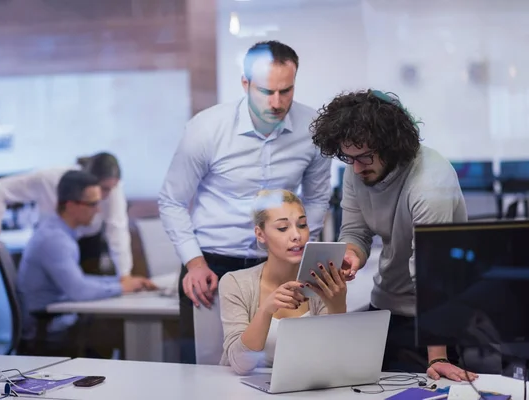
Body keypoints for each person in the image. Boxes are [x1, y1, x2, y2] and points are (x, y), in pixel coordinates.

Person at [159, 40, 332, 363]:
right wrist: (194, 263)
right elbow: (172, 200)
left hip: (278, 266)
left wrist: (307, 252)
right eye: (267, 92)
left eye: (286, 90)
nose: (277, 102)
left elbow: (318, 196)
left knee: (276, 363)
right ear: (245, 84)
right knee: (204, 366)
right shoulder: (207, 128)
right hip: (211, 264)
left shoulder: (313, 131)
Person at [310, 89, 478, 382]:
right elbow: (355, 230)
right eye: (348, 158)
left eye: (363, 157)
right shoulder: (357, 167)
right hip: (388, 306)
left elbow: (432, 276)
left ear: (391, 145)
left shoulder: (430, 184)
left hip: (438, 316)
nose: (356, 167)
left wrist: (438, 357)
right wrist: (352, 254)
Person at [16, 170, 156, 356]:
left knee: (116, 329)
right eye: (92, 204)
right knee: (118, 331)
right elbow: (79, 290)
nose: (98, 210)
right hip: (49, 329)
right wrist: (121, 288)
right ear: (71, 205)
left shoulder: (59, 233)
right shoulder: (55, 240)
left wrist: (121, 284)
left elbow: (79, 281)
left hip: (54, 320)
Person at [219, 190, 347, 375]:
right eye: (282, 228)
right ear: (260, 234)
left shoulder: (321, 281)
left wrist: (337, 306)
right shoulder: (235, 283)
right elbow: (241, 364)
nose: (297, 235)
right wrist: (265, 311)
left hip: (307, 388)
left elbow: (334, 359)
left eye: (302, 225)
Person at [0, 152, 133, 277]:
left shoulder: (113, 191)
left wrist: (124, 275)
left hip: (88, 245)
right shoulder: (49, 180)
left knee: (89, 297)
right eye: (92, 203)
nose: (100, 205)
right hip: (52, 244)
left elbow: (117, 230)